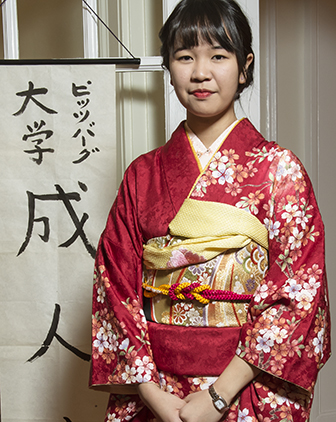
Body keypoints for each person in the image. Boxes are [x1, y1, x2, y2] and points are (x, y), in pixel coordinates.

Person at [89, 1, 331, 421]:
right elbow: (115, 287)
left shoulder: (278, 170)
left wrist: (218, 395)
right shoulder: (142, 175)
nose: (200, 72)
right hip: (157, 387)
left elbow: (298, 291)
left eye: (218, 55)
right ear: (169, 67)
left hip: (246, 386)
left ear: (244, 66)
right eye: (185, 57)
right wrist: (154, 396)